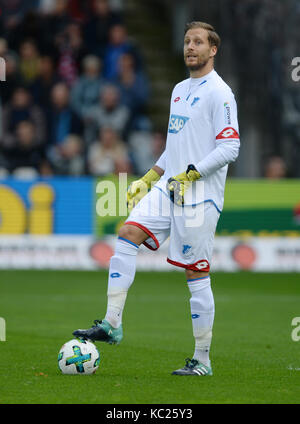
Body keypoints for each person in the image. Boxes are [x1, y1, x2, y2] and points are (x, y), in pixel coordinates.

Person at [73, 21, 240, 376]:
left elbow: (230, 146)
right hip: (170, 188)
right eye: (186, 41)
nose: (190, 47)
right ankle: (112, 323)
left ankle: (202, 360)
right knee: (127, 232)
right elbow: (176, 147)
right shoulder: (179, 89)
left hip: (199, 196)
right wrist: (149, 177)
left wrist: (192, 173)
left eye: (198, 42)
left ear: (213, 50)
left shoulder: (220, 93)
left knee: (196, 275)